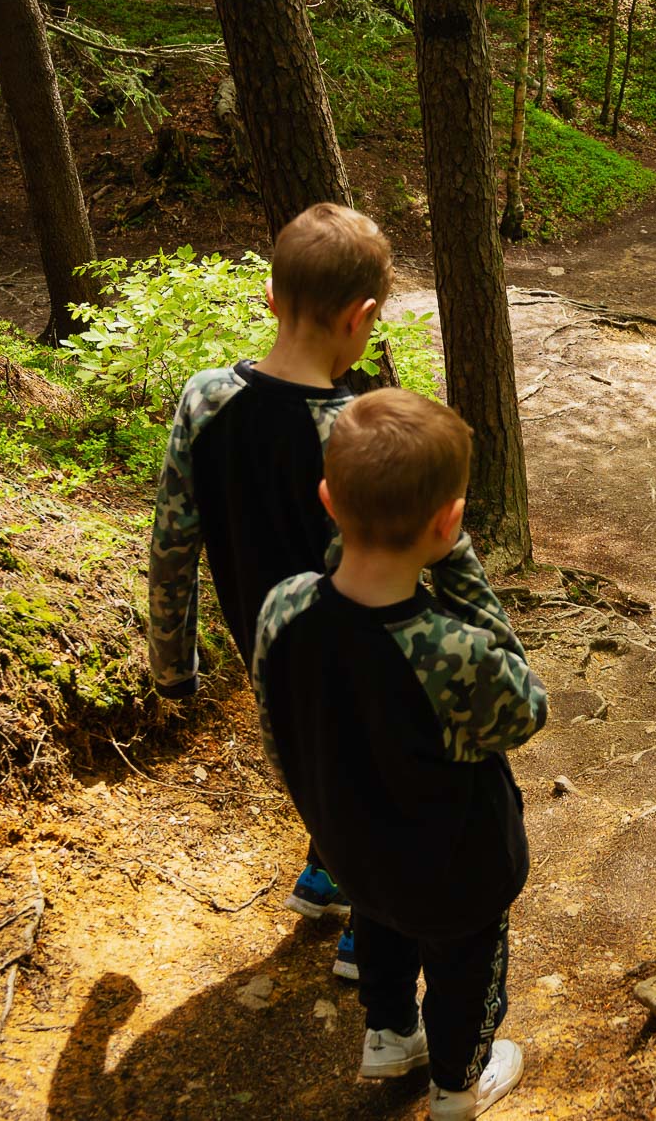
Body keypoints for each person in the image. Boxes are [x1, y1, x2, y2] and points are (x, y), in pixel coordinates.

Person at [251, 388, 545, 1120]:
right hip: (459, 874)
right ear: (448, 523)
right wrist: (463, 566)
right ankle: (456, 1084)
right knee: (466, 970)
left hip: (353, 850)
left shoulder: (283, 606)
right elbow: (527, 707)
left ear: (327, 498)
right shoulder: (453, 651)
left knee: (381, 929)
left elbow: (278, 725)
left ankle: (389, 1033)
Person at [147, 202, 391, 977]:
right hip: (354, 657)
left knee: (313, 757)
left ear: (269, 299)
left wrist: (171, 664)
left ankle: (325, 870)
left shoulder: (205, 400)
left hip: (260, 643)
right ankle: (372, 923)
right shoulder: (355, 431)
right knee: (374, 774)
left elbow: (172, 540)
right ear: (365, 318)